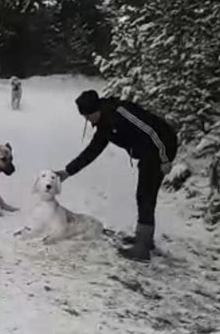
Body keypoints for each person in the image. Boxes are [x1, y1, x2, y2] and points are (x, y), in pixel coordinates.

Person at [55, 90, 178, 262]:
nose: (87, 120)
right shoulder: (104, 125)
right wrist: (67, 172)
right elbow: (92, 151)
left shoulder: (121, 112)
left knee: (145, 194)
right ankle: (145, 240)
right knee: (145, 194)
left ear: (96, 109)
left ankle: (142, 249)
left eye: (88, 115)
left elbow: (152, 131)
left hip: (162, 146)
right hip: (148, 151)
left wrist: (164, 159)